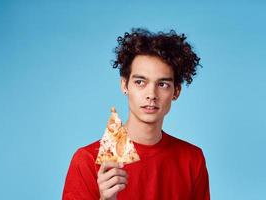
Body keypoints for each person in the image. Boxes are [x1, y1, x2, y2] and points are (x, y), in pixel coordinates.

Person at [62, 28, 210, 200]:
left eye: (162, 84)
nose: (151, 95)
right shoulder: (87, 161)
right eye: (140, 82)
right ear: (125, 86)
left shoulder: (192, 159)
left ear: (176, 92)